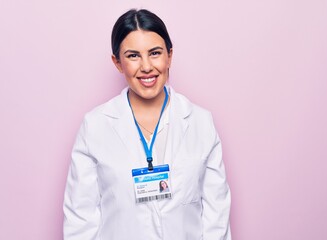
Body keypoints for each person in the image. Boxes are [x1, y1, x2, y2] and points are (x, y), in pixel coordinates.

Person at [63, 8, 231, 240]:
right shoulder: (95, 126)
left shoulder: (201, 122)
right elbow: (80, 219)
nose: (146, 67)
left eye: (155, 53)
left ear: (169, 56)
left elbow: (216, 215)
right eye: (133, 56)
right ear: (118, 63)